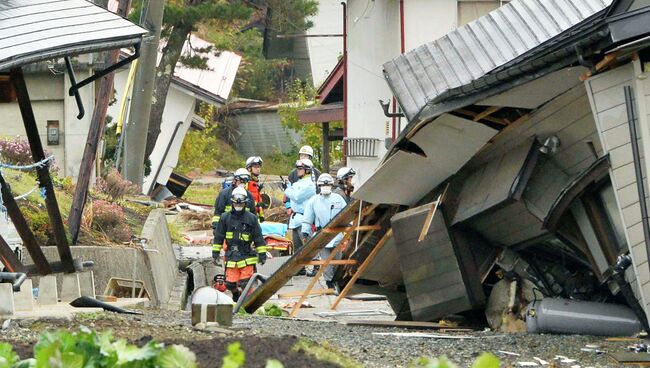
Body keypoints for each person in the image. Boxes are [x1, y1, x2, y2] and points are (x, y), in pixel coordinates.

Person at [212, 186, 267, 302]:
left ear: (245, 203)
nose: (238, 206)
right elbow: (219, 236)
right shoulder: (225, 218)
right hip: (231, 255)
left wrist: (262, 253)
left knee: (246, 283)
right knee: (230, 284)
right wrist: (215, 252)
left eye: (240, 204)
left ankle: (247, 302)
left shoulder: (251, 218)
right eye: (236, 204)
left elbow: (258, 237)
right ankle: (236, 294)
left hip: (246, 255)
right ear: (232, 202)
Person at [302, 173, 347, 289]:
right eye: (323, 185)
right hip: (322, 235)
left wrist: (349, 229)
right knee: (326, 262)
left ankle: (337, 281)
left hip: (337, 234)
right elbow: (307, 218)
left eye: (328, 185)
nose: (325, 187)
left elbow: (347, 215)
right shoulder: (313, 201)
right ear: (319, 186)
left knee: (337, 261)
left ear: (331, 186)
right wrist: (305, 232)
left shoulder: (338, 199)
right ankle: (329, 282)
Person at [284, 158, 317, 253]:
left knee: (309, 249)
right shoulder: (297, 183)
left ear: (307, 170)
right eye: (297, 168)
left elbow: (297, 197)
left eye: (300, 168)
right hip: (295, 221)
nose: (298, 170)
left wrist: (287, 189)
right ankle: (300, 268)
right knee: (297, 251)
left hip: (304, 221)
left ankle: (315, 266)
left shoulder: (310, 185)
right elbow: (291, 196)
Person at [284, 146, 321, 216]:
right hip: (297, 209)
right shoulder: (293, 173)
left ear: (310, 158)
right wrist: (288, 206)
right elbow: (289, 189)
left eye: (305, 155)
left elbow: (320, 191)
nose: (303, 157)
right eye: (301, 155)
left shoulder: (317, 174)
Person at [245, 156, 265, 222]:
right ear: (249, 168)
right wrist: (257, 204)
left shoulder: (255, 183)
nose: (258, 169)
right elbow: (244, 200)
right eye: (255, 167)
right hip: (246, 217)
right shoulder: (246, 182)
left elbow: (258, 199)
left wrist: (261, 215)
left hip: (255, 217)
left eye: (259, 167)